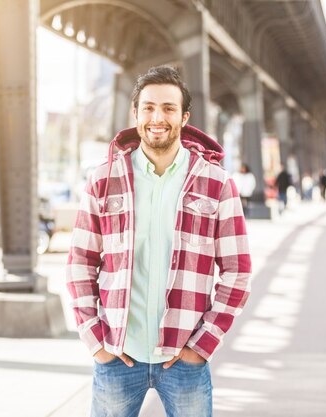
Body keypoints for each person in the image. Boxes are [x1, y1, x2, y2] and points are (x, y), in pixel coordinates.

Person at [66, 65, 252, 417]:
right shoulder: (104, 180)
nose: (157, 117)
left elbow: (237, 272)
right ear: (135, 114)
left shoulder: (217, 184)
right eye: (148, 107)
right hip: (118, 355)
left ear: (184, 117)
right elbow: (79, 263)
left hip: (185, 359)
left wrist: (203, 344)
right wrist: (96, 341)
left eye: (168, 108)